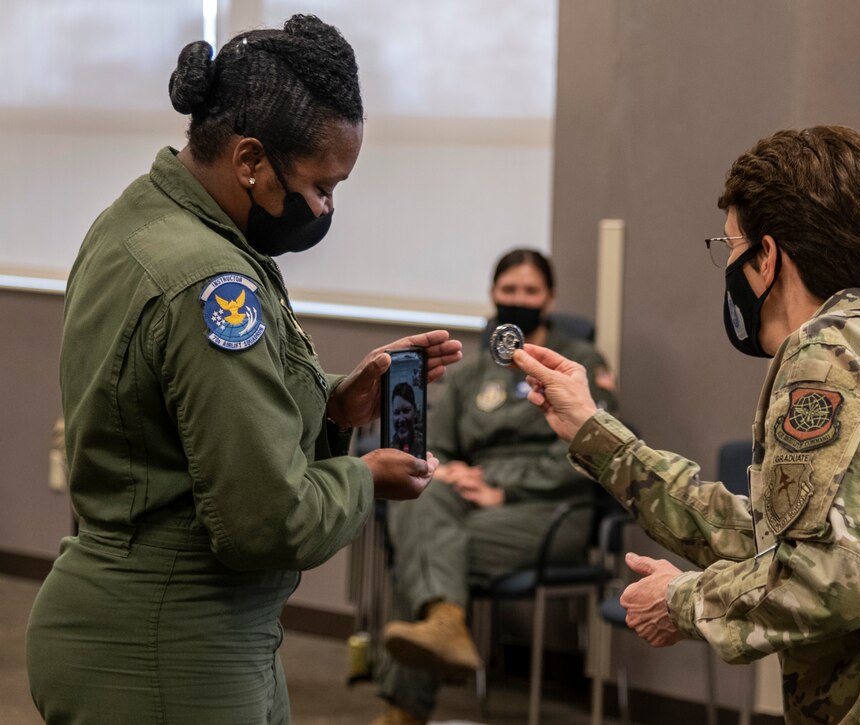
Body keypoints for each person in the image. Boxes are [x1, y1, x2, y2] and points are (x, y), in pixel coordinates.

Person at [513, 127, 860, 723]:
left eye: (731, 247)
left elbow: (836, 579)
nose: (730, 267)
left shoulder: (824, 353)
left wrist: (682, 602)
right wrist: (594, 431)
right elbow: (791, 540)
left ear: (767, 257)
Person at [25, 15, 462, 725]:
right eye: (322, 186)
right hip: (167, 641)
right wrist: (365, 476)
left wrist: (334, 406)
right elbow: (266, 520)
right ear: (252, 160)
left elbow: (189, 412)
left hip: (174, 626)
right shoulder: (210, 281)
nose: (325, 208)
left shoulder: (142, 216)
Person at [371, 249, 615, 725]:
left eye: (530, 291)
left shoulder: (578, 361)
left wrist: (501, 484)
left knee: (424, 554)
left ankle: (404, 710)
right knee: (417, 502)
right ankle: (444, 621)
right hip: (474, 504)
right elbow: (434, 446)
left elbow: (592, 449)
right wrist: (448, 472)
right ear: (492, 296)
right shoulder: (471, 373)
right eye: (509, 291)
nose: (518, 299)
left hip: (552, 510)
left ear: (550, 299)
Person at [390, 382, 423, 457]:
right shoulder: (388, 449)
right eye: (396, 412)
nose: (401, 419)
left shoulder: (424, 444)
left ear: (414, 411)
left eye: (406, 411)